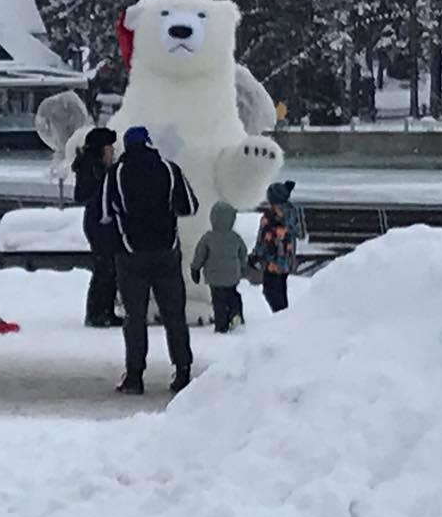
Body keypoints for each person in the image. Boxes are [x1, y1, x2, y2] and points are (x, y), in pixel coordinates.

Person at [99, 124, 199, 396]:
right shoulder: (169, 169)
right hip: (166, 251)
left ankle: (134, 376)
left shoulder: (117, 173)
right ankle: (182, 371)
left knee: (135, 317)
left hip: (130, 254)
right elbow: (190, 206)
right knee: (174, 315)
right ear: (150, 143)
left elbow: (106, 213)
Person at [72, 126, 120, 328]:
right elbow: (84, 194)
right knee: (105, 268)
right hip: (99, 222)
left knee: (108, 267)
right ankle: (98, 312)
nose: (113, 152)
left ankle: (104, 310)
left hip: (99, 221)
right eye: (110, 147)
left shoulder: (92, 165)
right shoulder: (93, 168)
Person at [190, 201, 248, 334]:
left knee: (218, 300)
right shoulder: (235, 237)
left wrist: (195, 269)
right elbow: (242, 252)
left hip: (214, 276)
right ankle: (236, 314)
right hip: (232, 275)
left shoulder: (208, 237)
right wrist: (243, 266)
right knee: (232, 294)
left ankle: (221, 325)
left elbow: (200, 254)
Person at [252, 179, 301, 313]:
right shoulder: (292, 212)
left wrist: (255, 255)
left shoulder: (269, 216)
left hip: (272, 260)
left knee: (270, 290)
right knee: (281, 289)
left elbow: (262, 240)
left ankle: (280, 315)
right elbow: (298, 233)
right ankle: (283, 314)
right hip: (287, 259)